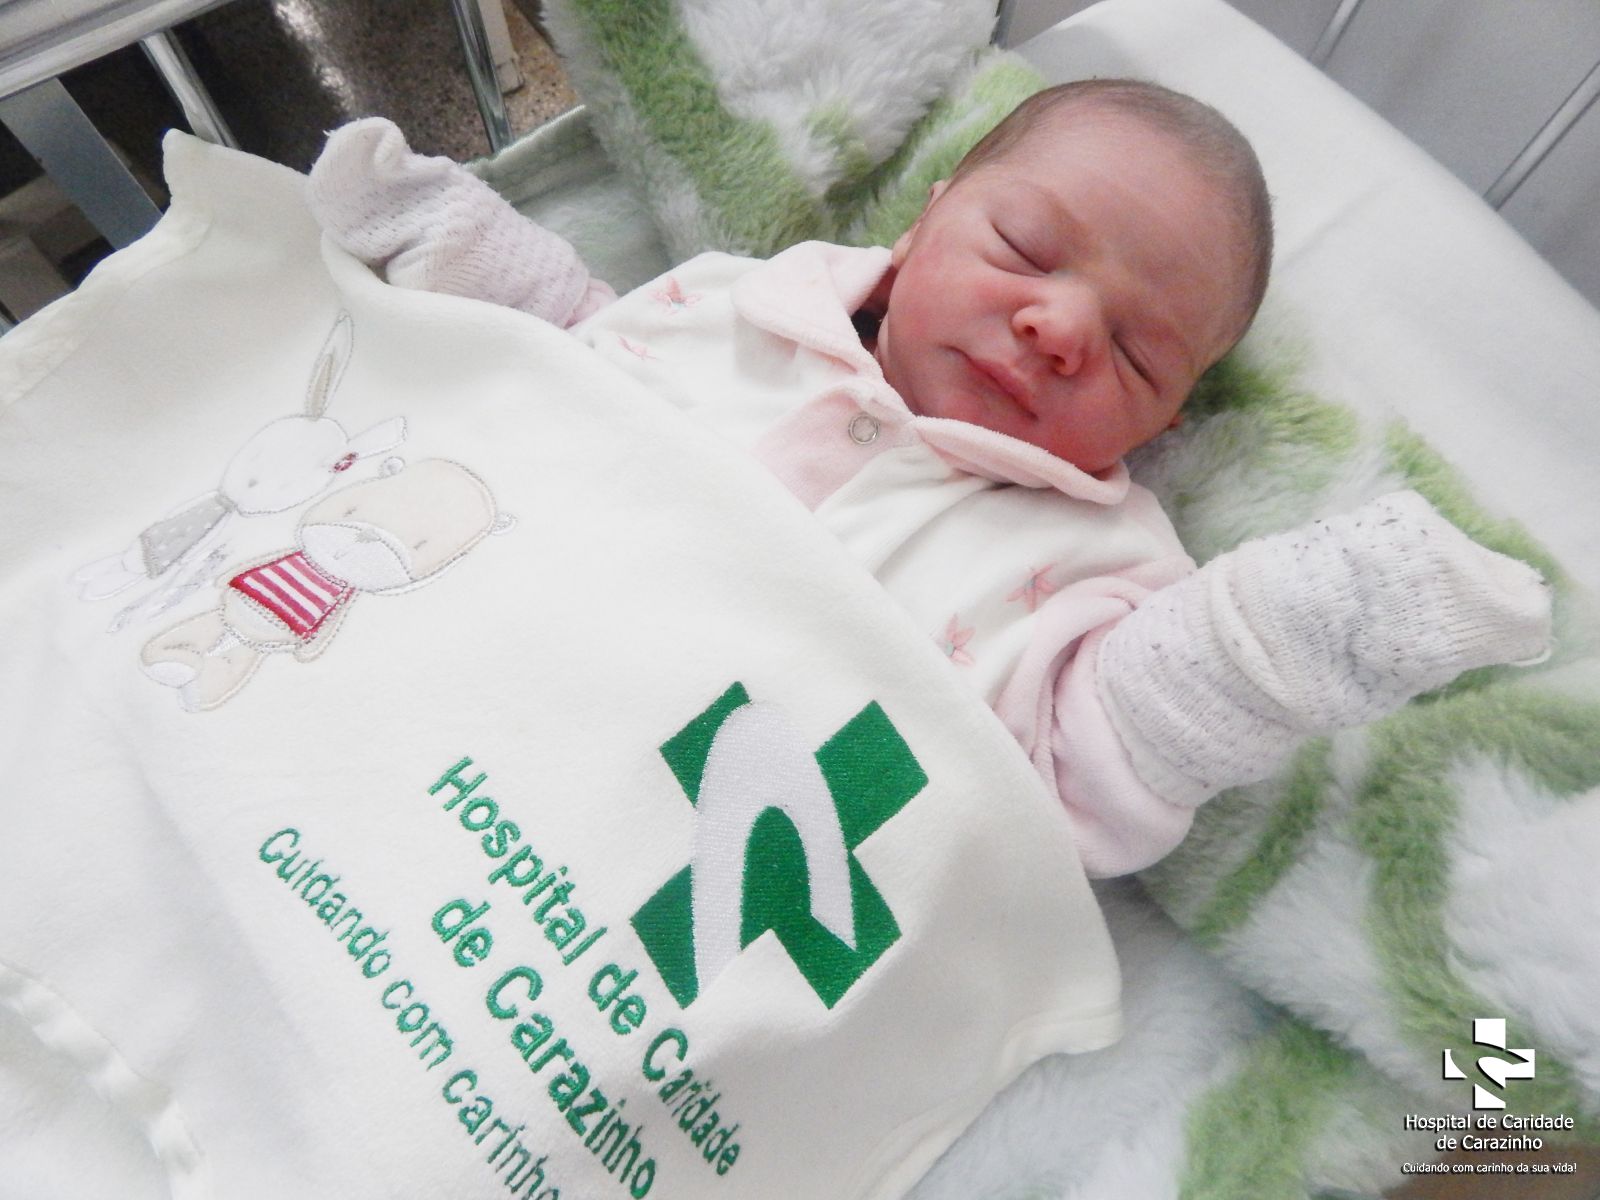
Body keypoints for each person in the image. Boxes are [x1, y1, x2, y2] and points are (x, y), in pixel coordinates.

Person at [306, 80, 1551, 876]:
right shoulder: (753, 303)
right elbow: (585, 352)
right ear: (921, 227)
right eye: (1023, 247)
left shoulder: (1094, 569)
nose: (1060, 328)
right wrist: (459, 243)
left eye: (1135, 353)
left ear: (1167, 419)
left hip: (657, 855)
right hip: (445, 672)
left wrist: (1285, 635)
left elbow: (1091, 777)